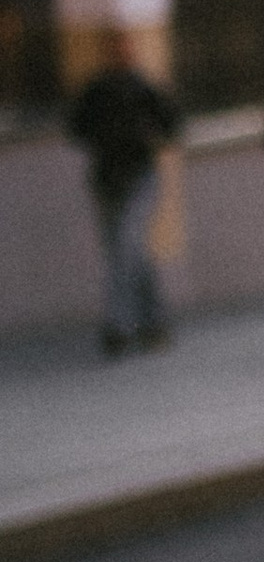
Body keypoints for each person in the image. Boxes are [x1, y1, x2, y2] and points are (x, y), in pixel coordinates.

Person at [66, 35, 179, 355]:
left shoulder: (145, 87)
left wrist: (150, 129)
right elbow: (76, 127)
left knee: (126, 247)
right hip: (108, 180)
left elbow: (172, 125)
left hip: (140, 177)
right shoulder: (97, 89)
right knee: (130, 252)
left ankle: (118, 325)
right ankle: (154, 322)